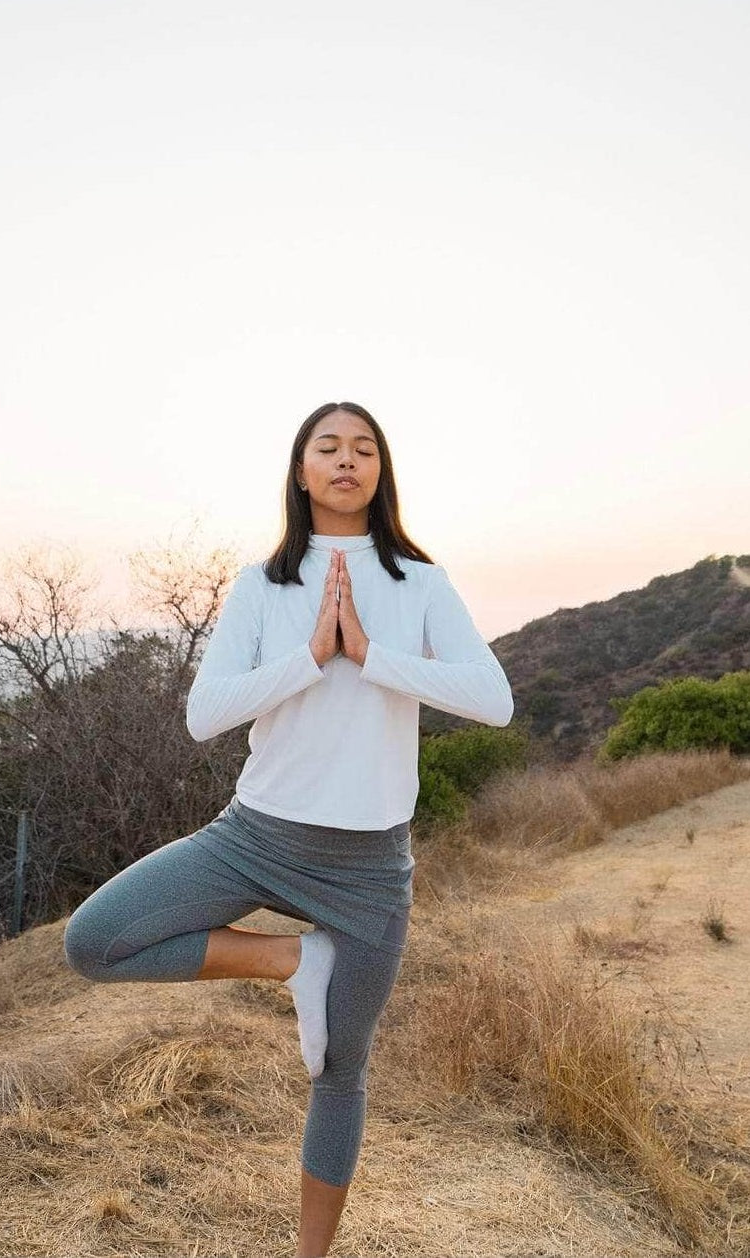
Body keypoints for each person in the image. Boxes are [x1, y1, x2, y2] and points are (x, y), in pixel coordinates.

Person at [62, 400, 514, 1258]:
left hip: (369, 869)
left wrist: (369, 654)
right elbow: (205, 715)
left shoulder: (422, 583)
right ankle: (297, 962)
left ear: (381, 471)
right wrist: (309, 658)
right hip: (255, 837)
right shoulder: (260, 585)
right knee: (95, 942)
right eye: (328, 447)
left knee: (338, 1072)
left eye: (364, 448)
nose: (347, 460)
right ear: (301, 471)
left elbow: (493, 700)